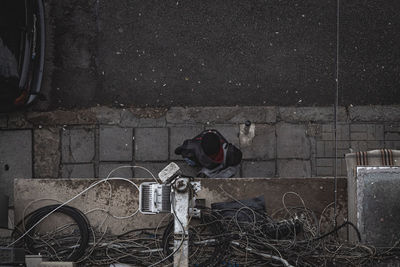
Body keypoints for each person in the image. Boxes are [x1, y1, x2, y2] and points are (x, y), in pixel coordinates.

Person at [174, 129, 242, 178]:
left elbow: (183, 149)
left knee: (190, 160)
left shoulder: (193, 146)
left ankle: (194, 165)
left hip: (202, 164)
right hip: (214, 168)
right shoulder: (228, 150)